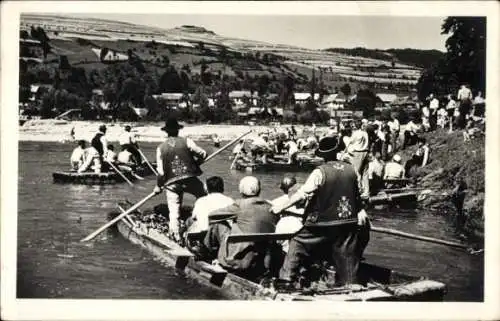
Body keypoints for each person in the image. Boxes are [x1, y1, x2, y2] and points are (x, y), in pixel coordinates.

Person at [271, 136, 370, 289]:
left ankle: (286, 280)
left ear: (322, 155)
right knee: (347, 253)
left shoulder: (320, 171)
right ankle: (351, 284)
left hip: (323, 222)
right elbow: (359, 195)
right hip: (347, 222)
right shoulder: (352, 170)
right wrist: (361, 210)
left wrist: (281, 207)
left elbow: (302, 193)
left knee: (298, 243)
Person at [153, 117, 208, 242]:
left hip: (172, 183)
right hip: (189, 178)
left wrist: (158, 186)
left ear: (166, 132)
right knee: (204, 196)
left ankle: (175, 236)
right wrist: (196, 164)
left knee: (174, 211)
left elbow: (161, 172)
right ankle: (202, 224)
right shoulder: (187, 141)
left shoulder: (160, 148)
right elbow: (203, 154)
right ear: (178, 130)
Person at [214, 176, 279, 279]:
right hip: (261, 261)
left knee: (218, 224)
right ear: (259, 190)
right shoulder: (270, 207)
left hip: (238, 262)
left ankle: (206, 253)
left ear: (241, 190)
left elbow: (212, 215)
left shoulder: (240, 204)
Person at [345, 120, 370, 198]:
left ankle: (358, 190)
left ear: (355, 126)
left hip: (358, 152)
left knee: (356, 172)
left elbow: (350, 142)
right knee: (365, 173)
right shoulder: (365, 133)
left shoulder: (355, 133)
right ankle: (366, 191)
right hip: (365, 152)